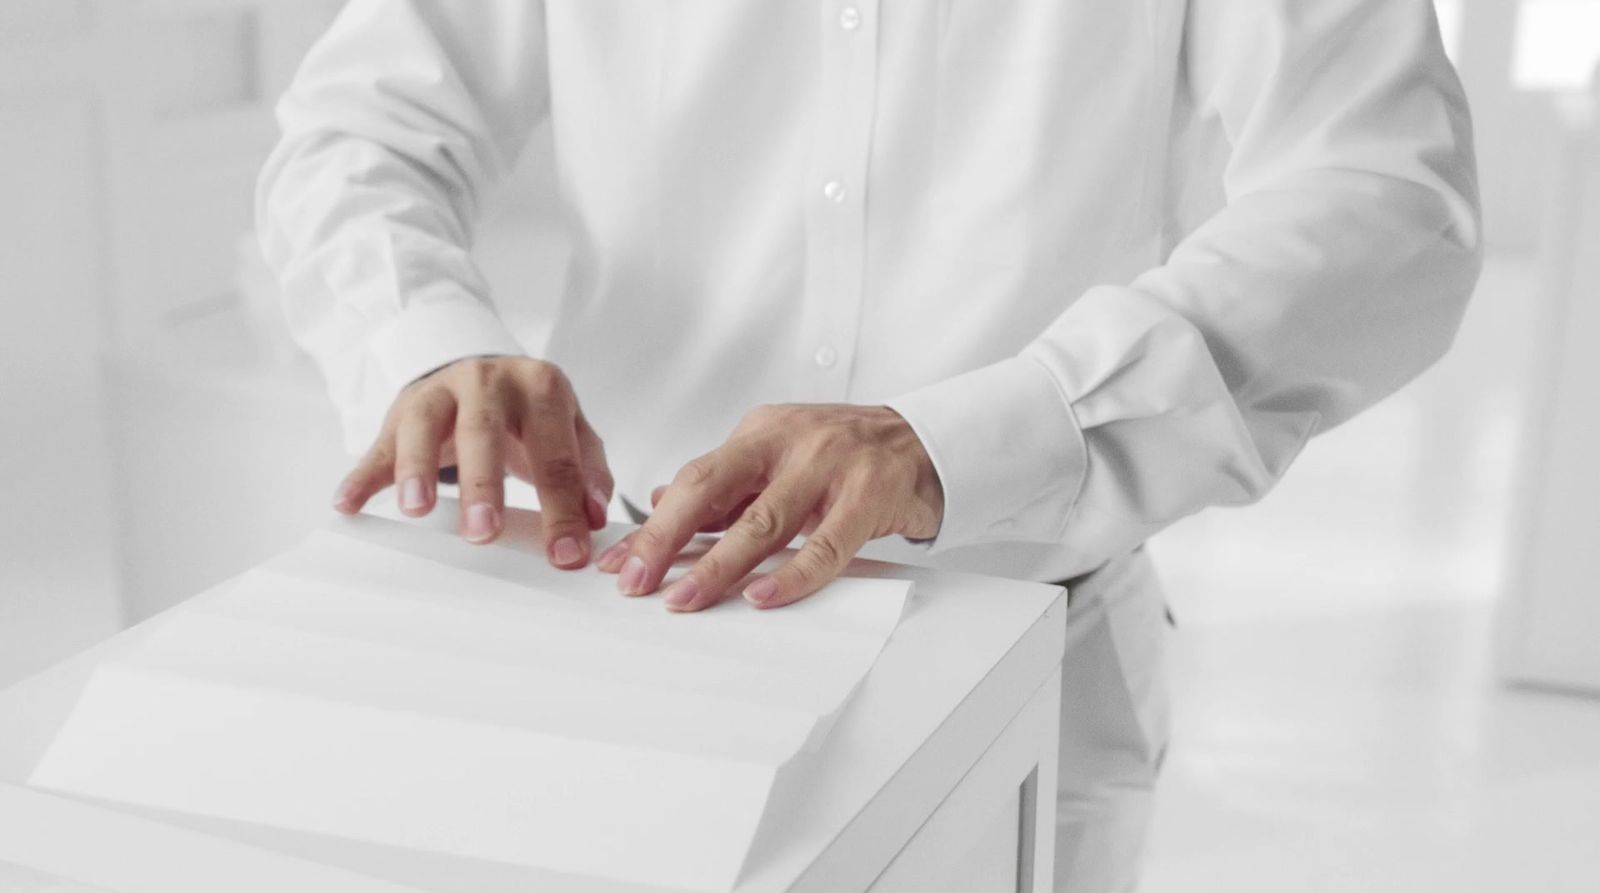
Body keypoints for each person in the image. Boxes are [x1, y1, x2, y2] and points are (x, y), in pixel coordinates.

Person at [257, 1, 1480, 889]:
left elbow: (1387, 198)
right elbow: (358, 132)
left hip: (1028, 641)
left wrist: (966, 436)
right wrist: (424, 336)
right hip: (634, 630)